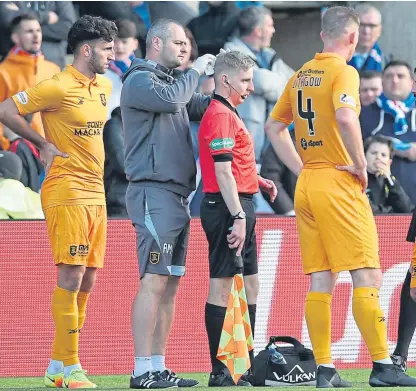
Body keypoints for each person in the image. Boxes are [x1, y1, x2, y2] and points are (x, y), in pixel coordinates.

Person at [264, 6, 416, 388]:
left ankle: (325, 369)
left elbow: (273, 127)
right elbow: (347, 118)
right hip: (339, 182)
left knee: (321, 280)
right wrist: (360, 165)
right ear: (352, 38)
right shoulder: (344, 71)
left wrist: (303, 169)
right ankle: (384, 365)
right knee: (367, 274)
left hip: (309, 183)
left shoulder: (300, 75)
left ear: (321, 36)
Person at [0, 15, 117, 389]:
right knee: (72, 273)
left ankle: (57, 366)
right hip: (66, 190)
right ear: (87, 49)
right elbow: (5, 109)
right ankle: (73, 366)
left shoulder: (104, 86)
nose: (112, 54)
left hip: (95, 192)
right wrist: (42, 143)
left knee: (89, 279)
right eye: (106, 48)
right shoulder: (57, 85)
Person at [121, 18, 216, 389]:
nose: (184, 49)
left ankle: (158, 366)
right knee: (154, 280)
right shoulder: (141, 80)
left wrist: (229, 88)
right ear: (156, 43)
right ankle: (141, 369)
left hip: (177, 197)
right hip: (153, 193)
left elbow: (201, 106)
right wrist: (195, 71)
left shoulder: (170, 85)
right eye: (178, 43)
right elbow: (177, 98)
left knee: (170, 284)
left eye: (187, 45)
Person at [198, 50, 276, 386]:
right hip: (227, 207)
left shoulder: (230, 112)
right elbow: (222, 172)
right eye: (245, 81)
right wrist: (239, 214)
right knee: (223, 285)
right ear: (225, 79)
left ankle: (242, 362)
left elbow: (233, 165)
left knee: (251, 283)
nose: (250, 88)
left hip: (239, 202)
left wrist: (257, 181)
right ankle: (221, 370)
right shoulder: (220, 114)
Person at [364, 135, 413, 214]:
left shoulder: (391, 182)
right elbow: (368, 210)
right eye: (374, 153)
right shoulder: (357, 179)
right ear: (364, 156)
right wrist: (391, 211)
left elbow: (406, 210)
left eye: (383, 155)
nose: (378, 157)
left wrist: (389, 178)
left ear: (389, 162)